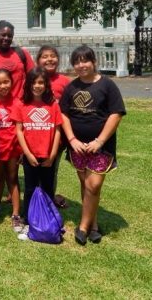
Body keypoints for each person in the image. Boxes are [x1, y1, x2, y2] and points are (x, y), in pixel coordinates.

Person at [59, 45, 126, 246]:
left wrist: (99, 141)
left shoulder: (107, 85)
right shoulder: (72, 87)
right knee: (85, 184)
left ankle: (83, 227)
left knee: (93, 185)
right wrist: (72, 140)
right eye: (77, 62)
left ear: (94, 62)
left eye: (85, 61)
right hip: (78, 146)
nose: (81, 65)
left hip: (101, 147)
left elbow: (116, 114)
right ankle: (94, 225)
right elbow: (63, 114)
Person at [15, 66, 62, 241]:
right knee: (30, 189)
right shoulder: (21, 104)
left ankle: (49, 220)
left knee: (48, 188)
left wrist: (52, 155)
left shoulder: (53, 105)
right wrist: (27, 154)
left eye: (41, 82)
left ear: (46, 85)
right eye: (34, 82)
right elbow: (19, 131)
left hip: (48, 156)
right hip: (30, 156)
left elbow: (57, 130)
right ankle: (29, 222)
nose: (37, 86)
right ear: (28, 84)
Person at [0, 69, 25, 233]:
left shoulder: (17, 103)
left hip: (13, 148)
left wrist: (22, 150)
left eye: (6, 82)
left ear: (12, 82)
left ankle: (16, 214)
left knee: (12, 179)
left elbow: (21, 129)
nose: (3, 86)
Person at [36, 45, 71, 209]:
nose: (49, 59)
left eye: (53, 56)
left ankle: (48, 201)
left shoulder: (64, 82)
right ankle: (35, 202)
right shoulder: (33, 79)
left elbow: (69, 110)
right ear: (38, 61)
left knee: (52, 170)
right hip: (35, 135)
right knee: (35, 171)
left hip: (56, 136)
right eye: (45, 56)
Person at [0, 20, 35, 99]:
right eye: (3, 35)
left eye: (9, 36)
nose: (6, 38)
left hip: (22, 102)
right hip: (1, 104)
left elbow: (34, 77)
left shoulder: (22, 54)